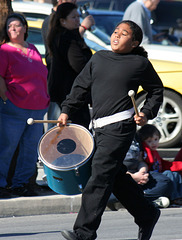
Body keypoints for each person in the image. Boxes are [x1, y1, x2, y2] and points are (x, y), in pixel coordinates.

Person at [57, 20, 163, 240]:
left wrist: (146, 113)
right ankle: (147, 213)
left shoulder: (139, 63)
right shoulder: (99, 58)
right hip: (97, 128)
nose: (116, 35)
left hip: (121, 128)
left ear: (134, 42)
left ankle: (84, 232)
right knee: (113, 176)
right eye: (115, 31)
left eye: (123, 34)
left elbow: (156, 90)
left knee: (99, 176)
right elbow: (80, 87)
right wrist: (66, 110)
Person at [0, 13, 50, 198]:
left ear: (25, 28)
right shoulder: (4, 50)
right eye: (9, 26)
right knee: (6, 148)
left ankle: (20, 185)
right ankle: (0, 185)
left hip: (37, 108)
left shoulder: (33, 48)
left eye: (16, 25)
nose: (12, 28)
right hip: (14, 107)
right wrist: (6, 98)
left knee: (30, 150)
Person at [41, 0, 95, 129]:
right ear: (63, 21)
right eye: (73, 17)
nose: (78, 20)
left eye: (78, 16)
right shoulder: (66, 38)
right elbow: (79, 65)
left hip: (71, 94)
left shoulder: (70, 35)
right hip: (67, 94)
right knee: (67, 133)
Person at [137, 124, 182, 205]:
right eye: (149, 141)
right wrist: (144, 146)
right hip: (149, 177)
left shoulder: (155, 152)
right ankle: (174, 198)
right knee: (168, 173)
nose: (153, 143)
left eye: (156, 139)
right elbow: (149, 161)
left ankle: (179, 196)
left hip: (158, 176)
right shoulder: (145, 152)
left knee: (175, 174)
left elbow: (165, 164)